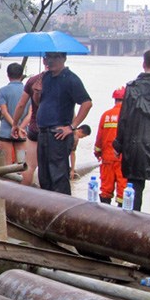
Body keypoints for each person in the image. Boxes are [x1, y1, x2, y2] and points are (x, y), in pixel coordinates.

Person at [33, 52, 92, 195]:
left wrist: (72, 127)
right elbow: (39, 103)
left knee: (58, 175)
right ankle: (47, 208)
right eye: (48, 57)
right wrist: (36, 92)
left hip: (58, 133)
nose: (50, 61)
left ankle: (61, 208)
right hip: (43, 131)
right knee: (44, 174)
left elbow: (87, 103)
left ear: (63, 59)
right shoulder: (45, 77)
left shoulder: (70, 79)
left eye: (55, 57)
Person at [113, 48, 150, 213]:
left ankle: (132, 228)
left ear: (144, 64)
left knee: (134, 190)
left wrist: (118, 145)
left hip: (135, 145)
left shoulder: (132, 88)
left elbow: (124, 118)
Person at [11, 67, 45, 186]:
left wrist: (15, 124)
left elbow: (21, 105)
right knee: (50, 167)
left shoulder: (33, 81)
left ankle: (23, 193)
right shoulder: (60, 80)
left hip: (35, 128)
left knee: (29, 165)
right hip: (53, 130)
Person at [94, 87, 127, 205]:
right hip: (122, 158)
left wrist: (97, 152)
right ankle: (122, 218)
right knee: (123, 190)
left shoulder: (106, 115)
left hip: (107, 158)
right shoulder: (128, 116)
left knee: (105, 189)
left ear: (115, 100)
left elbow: (99, 138)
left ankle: (104, 216)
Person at [0, 62, 28, 166]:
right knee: (22, 164)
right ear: (21, 75)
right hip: (23, 132)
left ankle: (7, 182)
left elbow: (4, 112)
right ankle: (21, 182)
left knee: (6, 165)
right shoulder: (28, 91)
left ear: (8, 75)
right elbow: (31, 113)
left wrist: (14, 126)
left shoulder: (2, 91)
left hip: (6, 131)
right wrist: (20, 128)